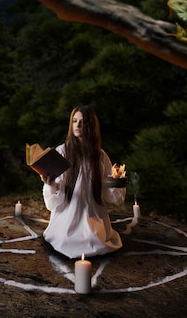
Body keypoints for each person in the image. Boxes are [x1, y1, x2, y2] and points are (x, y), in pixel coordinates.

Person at [42, 106, 125, 259]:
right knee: (65, 239)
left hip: (92, 212)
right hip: (67, 213)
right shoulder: (62, 152)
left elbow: (111, 195)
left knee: (95, 239)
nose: (78, 125)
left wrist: (117, 179)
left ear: (91, 126)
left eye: (82, 122)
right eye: (74, 121)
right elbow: (54, 200)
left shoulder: (100, 155)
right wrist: (52, 185)